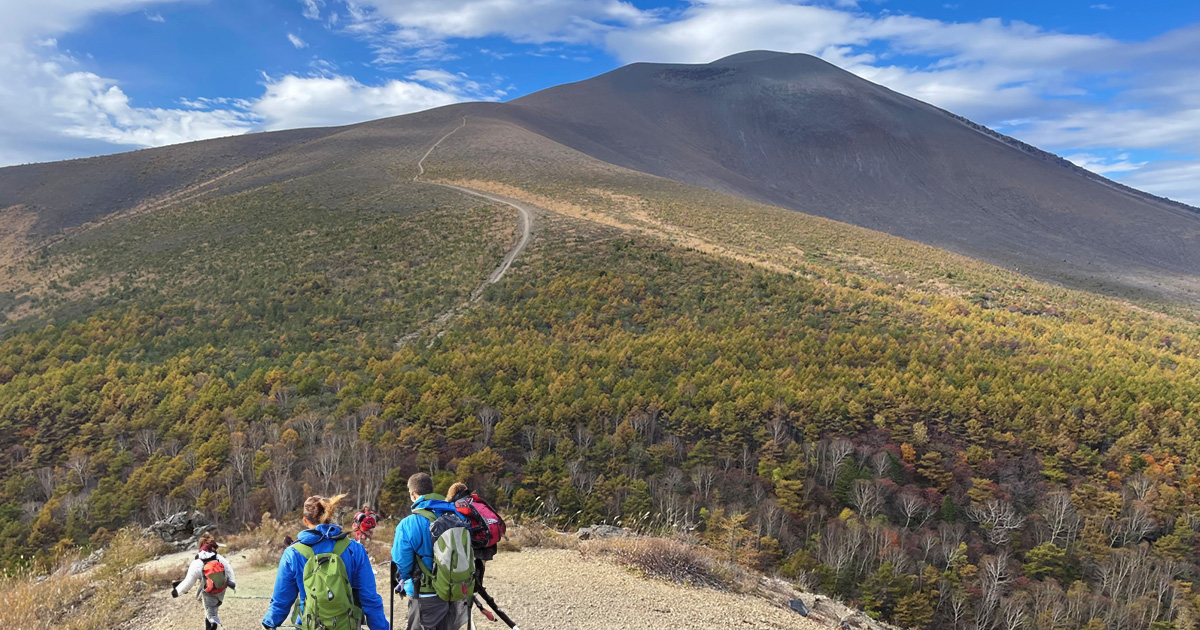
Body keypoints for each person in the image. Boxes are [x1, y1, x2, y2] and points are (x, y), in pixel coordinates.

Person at [262, 494, 389, 630]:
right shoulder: (355, 549)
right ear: (331, 516)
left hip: (309, 625)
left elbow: (281, 601)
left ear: (305, 520)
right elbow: (369, 598)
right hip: (347, 624)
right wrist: (381, 627)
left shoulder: (293, 553)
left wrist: (269, 623)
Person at [392, 473, 470, 630]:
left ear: (414, 494)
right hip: (455, 591)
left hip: (425, 592)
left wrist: (406, 579)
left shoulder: (408, 523)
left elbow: (401, 561)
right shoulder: (456, 515)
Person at [171, 532, 236, 630]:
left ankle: (211, 624)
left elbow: (188, 582)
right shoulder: (218, 558)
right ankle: (212, 619)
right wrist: (232, 582)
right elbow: (229, 570)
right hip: (221, 588)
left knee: (208, 610)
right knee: (213, 608)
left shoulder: (197, 563)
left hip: (208, 590)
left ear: (200, 545)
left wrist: (176, 592)